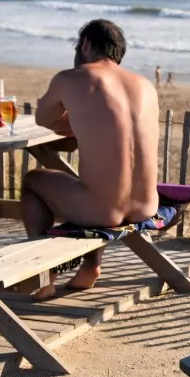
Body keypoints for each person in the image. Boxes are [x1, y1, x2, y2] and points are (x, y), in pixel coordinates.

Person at [24, 19, 160, 299]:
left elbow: (44, 119)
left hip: (101, 211)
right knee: (93, 182)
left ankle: (44, 277)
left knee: (33, 180)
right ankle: (90, 267)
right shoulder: (145, 84)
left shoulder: (71, 78)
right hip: (148, 205)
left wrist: (75, 117)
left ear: (85, 43)